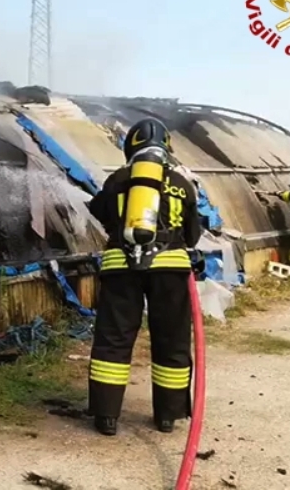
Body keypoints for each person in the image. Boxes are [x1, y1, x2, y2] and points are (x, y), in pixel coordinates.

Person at [87, 117, 202, 436]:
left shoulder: (117, 180)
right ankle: (167, 415)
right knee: (172, 339)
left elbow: (100, 213)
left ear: (131, 146)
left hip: (121, 269)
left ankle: (106, 416)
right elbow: (192, 236)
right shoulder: (182, 184)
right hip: (171, 270)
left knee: (114, 339)